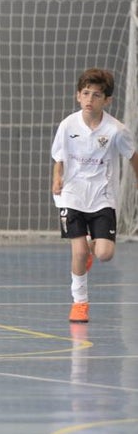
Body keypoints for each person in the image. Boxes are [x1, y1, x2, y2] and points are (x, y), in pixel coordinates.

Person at [51, 67, 138, 323]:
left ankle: (92, 247)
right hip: (72, 195)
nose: (90, 99)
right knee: (77, 251)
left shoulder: (116, 130)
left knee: (104, 254)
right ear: (78, 96)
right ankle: (80, 303)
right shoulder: (68, 125)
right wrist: (57, 177)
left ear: (107, 100)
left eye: (97, 95)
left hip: (102, 197)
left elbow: (133, 156)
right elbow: (59, 156)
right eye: (86, 93)